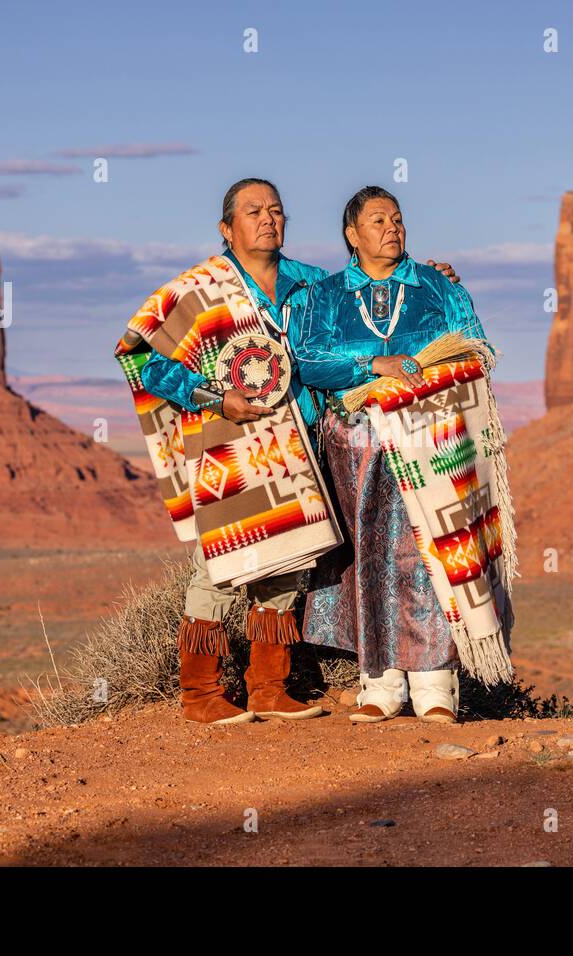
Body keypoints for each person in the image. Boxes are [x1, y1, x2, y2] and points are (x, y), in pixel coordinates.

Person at [119, 178, 461, 725]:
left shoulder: (309, 284)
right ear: (227, 227)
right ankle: (200, 692)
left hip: (299, 444)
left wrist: (429, 278)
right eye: (253, 211)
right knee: (221, 568)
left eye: (276, 210)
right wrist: (213, 396)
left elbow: (363, 297)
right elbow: (142, 357)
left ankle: (268, 688)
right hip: (228, 442)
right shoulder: (197, 290)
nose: (268, 219)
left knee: (289, 564)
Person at [292, 186, 512, 725]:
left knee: (428, 549)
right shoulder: (323, 297)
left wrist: (422, 378)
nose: (392, 228)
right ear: (352, 235)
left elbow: (477, 347)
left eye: (397, 218)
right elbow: (306, 360)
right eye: (378, 221)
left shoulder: (437, 286)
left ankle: (435, 683)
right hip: (355, 445)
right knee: (369, 555)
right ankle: (380, 682)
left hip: (430, 441)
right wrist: (375, 365)